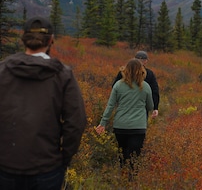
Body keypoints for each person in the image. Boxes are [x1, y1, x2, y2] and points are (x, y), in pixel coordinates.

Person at [0, 16, 87, 190]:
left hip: (5, 167)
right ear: (51, 40)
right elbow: (76, 123)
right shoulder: (63, 75)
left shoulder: (2, 70)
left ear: (23, 39)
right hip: (46, 168)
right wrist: (63, 159)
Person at [96, 58, 153, 172]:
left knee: (122, 153)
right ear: (141, 70)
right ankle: (131, 180)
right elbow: (150, 106)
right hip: (138, 127)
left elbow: (110, 105)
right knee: (134, 156)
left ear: (125, 70)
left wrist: (102, 123)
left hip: (120, 126)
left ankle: (122, 176)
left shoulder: (118, 85)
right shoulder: (146, 86)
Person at [112, 51, 160, 118]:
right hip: (141, 108)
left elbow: (114, 88)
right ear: (146, 61)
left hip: (124, 106)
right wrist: (155, 108)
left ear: (134, 59)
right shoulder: (149, 74)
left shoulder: (123, 72)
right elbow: (155, 91)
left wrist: (116, 103)